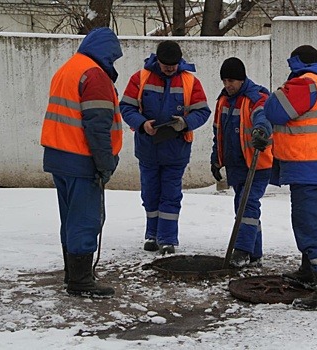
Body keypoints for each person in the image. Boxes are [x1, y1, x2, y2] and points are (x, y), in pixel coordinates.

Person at [264, 45, 317, 310]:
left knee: (312, 229)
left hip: (310, 166)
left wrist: (283, 87)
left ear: (296, 63)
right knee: (312, 224)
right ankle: (310, 272)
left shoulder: (305, 84)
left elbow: (274, 110)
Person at [40, 27, 123, 297]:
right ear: (107, 53)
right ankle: (81, 281)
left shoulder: (68, 68)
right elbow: (97, 127)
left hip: (58, 156)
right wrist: (105, 163)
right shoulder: (94, 75)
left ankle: (72, 273)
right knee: (85, 219)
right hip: (81, 160)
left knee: (70, 218)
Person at [120, 40, 211, 255]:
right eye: (165, 65)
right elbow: (126, 106)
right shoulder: (140, 78)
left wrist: (185, 123)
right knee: (150, 194)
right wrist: (142, 124)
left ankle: (168, 239)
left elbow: (202, 111)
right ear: (157, 61)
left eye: (173, 65)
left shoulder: (190, 81)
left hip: (176, 150)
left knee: (170, 195)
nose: (170, 68)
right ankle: (152, 235)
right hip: (148, 148)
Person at [211, 57, 273, 268]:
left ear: (242, 79)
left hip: (256, 164)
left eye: (232, 81)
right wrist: (216, 159)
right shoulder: (223, 101)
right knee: (243, 206)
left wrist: (260, 131)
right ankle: (255, 253)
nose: (228, 85)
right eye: (225, 80)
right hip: (236, 165)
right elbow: (218, 132)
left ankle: (243, 250)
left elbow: (263, 117)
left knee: (247, 205)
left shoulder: (256, 97)